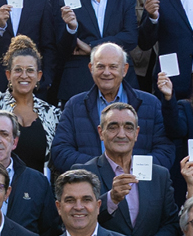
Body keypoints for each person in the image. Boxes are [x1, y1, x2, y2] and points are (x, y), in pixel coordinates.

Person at [50, 42, 171, 173]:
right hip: (92, 183)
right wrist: (101, 169)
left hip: (136, 182)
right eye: (100, 66)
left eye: (113, 67)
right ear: (91, 68)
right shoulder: (74, 105)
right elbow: (61, 152)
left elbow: (165, 151)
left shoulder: (150, 104)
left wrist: (129, 170)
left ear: (125, 70)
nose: (106, 72)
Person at [85, 102, 182, 236]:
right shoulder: (85, 173)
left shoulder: (159, 175)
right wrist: (111, 199)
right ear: (101, 132)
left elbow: (172, 225)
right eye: (113, 127)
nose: (121, 134)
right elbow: (77, 222)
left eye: (128, 128)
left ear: (136, 133)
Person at [52, 0, 139, 103]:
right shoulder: (67, 2)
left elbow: (130, 38)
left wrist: (91, 47)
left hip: (120, 82)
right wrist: (71, 29)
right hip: (78, 82)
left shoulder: (126, 2)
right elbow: (62, 47)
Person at [0, 36, 58, 174]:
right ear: (8, 75)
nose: (24, 76)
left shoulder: (52, 113)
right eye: (18, 70)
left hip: (38, 184)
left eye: (30, 70)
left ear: (39, 76)